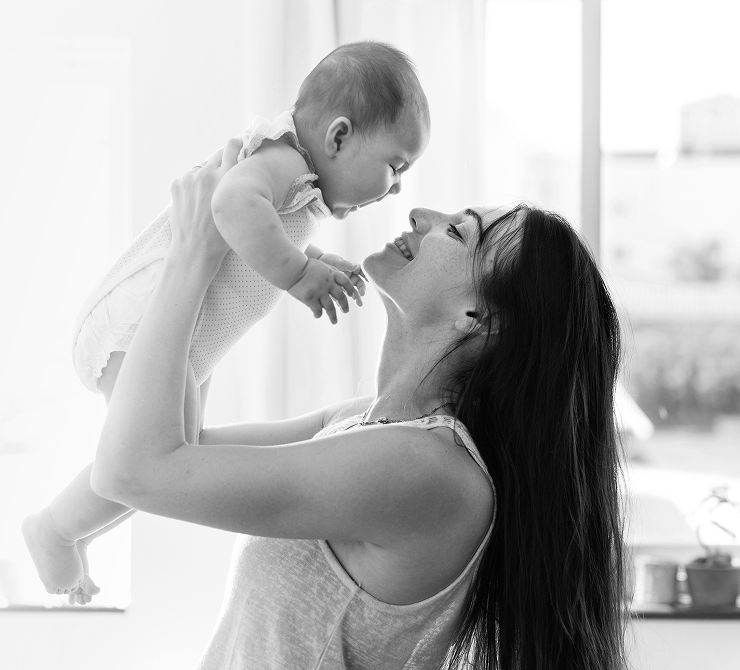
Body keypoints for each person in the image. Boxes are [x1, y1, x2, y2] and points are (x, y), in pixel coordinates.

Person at [87, 141, 629, 669]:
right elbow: (182, 444)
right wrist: (222, 270)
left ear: (476, 319)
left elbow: (133, 471)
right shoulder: (363, 424)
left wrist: (192, 254)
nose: (420, 213)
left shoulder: (425, 468)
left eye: (457, 231)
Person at [22, 40, 430, 599]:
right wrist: (297, 275)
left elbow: (252, 237)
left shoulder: (297, 180)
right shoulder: (285, 160)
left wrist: (311, 260)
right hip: (142, 319)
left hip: (183, 336)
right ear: (338, 137)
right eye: (396, 166)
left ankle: (73, 532)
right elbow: (231, 206)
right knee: (157, 462)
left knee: (173, 459)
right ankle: (54, 530)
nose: (398, 187)